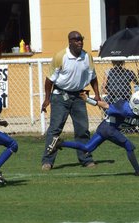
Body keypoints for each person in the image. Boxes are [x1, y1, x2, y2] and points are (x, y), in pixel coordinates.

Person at [46, 91, 139, 176]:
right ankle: (138, 171)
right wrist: (88, 100)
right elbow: (106, 105)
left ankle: (60, 143)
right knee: (129, 146)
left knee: (87, 148)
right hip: (108, 128)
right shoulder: (124, 109)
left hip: (106, 128)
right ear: (136, 107)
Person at [41, 31, 100, 170]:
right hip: (60, 96)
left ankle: (86, 159)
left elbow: (93, 77)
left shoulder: (87, 57)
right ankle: (47, 161)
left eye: (81, 39)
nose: (80, 42)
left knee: (82, 129)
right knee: (55, 129)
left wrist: (97, 94)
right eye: (77, 40)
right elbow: (49, 79)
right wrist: (47, 99)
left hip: (79, 96)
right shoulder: (60, 57)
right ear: (70, 41)